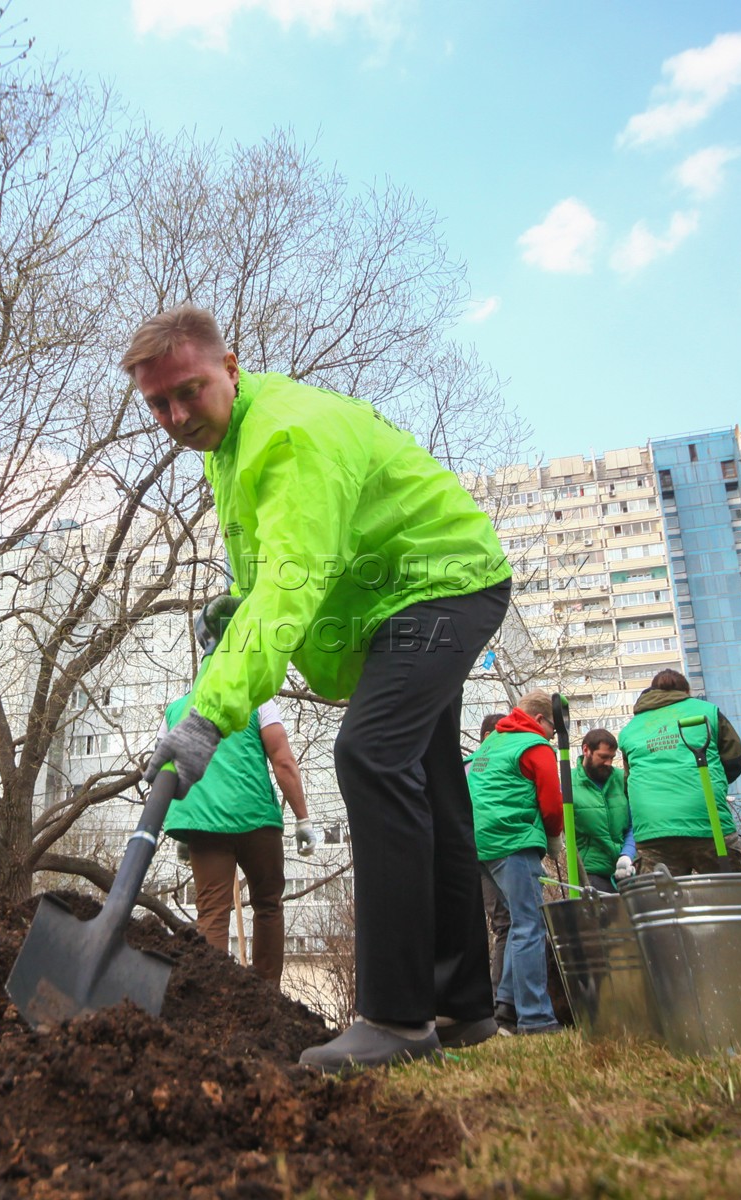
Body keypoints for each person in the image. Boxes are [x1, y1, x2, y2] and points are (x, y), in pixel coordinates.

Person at [125, 305, 513, 1071]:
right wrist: (241, 612)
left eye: (188, 393)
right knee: (430, 782)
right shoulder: (229, 441)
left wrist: (211, 713)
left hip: (440, 586)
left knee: (370, 755)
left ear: (229, 368)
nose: (174, 416)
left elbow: (291, 584)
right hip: (393, 600)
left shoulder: (287, 435)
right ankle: (463, 1008)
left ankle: (399, 1020)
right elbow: (282, 565)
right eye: (158, 405)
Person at [164, 595, 319, 984]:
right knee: (268, 904)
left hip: (204, 825)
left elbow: (169, 776)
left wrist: (184, 832)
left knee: (212, 914)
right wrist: (302, 818)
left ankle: (216, 1005)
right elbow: (282, 760)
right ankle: (267, 997)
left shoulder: (176, 709)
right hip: (255, 821)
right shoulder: (256, 699)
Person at [467, 690, 563, 1036]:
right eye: (551, 725)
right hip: (513, 842)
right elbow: (552, 803)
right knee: (530, 925)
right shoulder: (534, 746)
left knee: (511, 926)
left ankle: (505, 1007)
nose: (553, 733)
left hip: (479, 846)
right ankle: (536, 1018)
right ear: (539, 720)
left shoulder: (490, 745)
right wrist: (554, 838)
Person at [617, 669, 741, 874]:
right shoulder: (707, 711)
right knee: (732, 897)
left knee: (663, 901)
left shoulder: (630, 729)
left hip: (652, 827)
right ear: (685, 692)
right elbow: (734, 760)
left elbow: (629, 783)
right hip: (707, 821)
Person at [468, 712, 514, 1029]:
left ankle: (496, 1001)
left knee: (503, 925)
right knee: (509, 924)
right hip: (498, 850)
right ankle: (503, 1002)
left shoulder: (467, 766)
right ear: (486, 735)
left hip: (470, 852)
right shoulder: (491, 763)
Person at [571, 728, 636, 892]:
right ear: (586, 750)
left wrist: (627, 854)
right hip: (591, 872)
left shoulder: (622, 779)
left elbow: (633, 823)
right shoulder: (567, 783)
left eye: (612, 758)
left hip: (626, 869)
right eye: (603, 757)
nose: (608, 763)